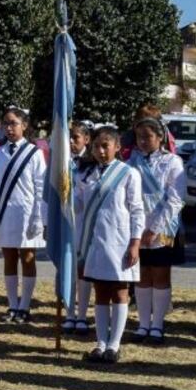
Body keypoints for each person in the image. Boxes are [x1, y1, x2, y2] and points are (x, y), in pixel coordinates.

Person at [77, 126, 144, 364]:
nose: (101, 151)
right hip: (96, 242)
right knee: (101, 292)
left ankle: (114, 345)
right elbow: (80, 208)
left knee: (119, 291)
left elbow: (137, 210)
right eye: (96, 146)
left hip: (120, 241)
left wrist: (135, 242)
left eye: (106, 146)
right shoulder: (87, 175)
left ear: (117, 147)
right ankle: (100, 343)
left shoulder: (128, 173)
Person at [127, 114, 186, 344]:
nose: (143, 141)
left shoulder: (172, 162)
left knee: (160, 275)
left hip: (164, 228)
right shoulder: (131, 162)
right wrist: (138, 229)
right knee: (141, 276)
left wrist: (154, 228)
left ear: (160, 137)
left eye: (148, 137)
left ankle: (158, 325)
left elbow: (175, 199)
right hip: (137, 226)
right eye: (139, 137)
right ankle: (143, 324)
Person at [0, 106, 46, 324]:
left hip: (27, 212)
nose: (9, 128)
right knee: (9, 257)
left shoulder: (34, 153)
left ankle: (25, 306)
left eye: (14, 123)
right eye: (6, 124)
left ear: (24, 125)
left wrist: (39, 217)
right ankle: (12, 305)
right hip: (5, 212)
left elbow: (40, 188)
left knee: (27, 258)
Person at [64, 120, 96, 334]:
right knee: (67, 269)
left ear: (86, 139)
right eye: (69, 137)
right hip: (65, 223)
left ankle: (82, 315)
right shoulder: (61, 160)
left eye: (75, 137)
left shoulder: (92, 163)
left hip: (84, 222)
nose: (71, 142)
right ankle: (68, 314)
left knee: (83, 271)